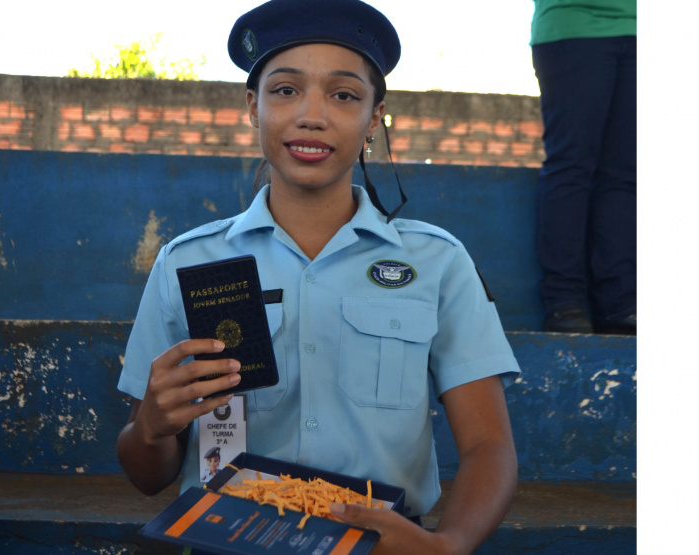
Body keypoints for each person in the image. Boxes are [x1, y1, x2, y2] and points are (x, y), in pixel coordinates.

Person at [115, 1, 521, 553]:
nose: (312, 115)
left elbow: (489, 446)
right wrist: (152, 429)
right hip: (222, 541)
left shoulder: (438, 262)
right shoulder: (187, 262)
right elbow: (146, 474)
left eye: (344, 94)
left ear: (374, 118)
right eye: (284, 90)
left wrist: (449, 544)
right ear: (252, 107)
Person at [531, 0, 637, 335]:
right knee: (571, 166)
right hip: (572, 25)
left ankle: (622, 302)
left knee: (626, 174)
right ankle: (564, 302)